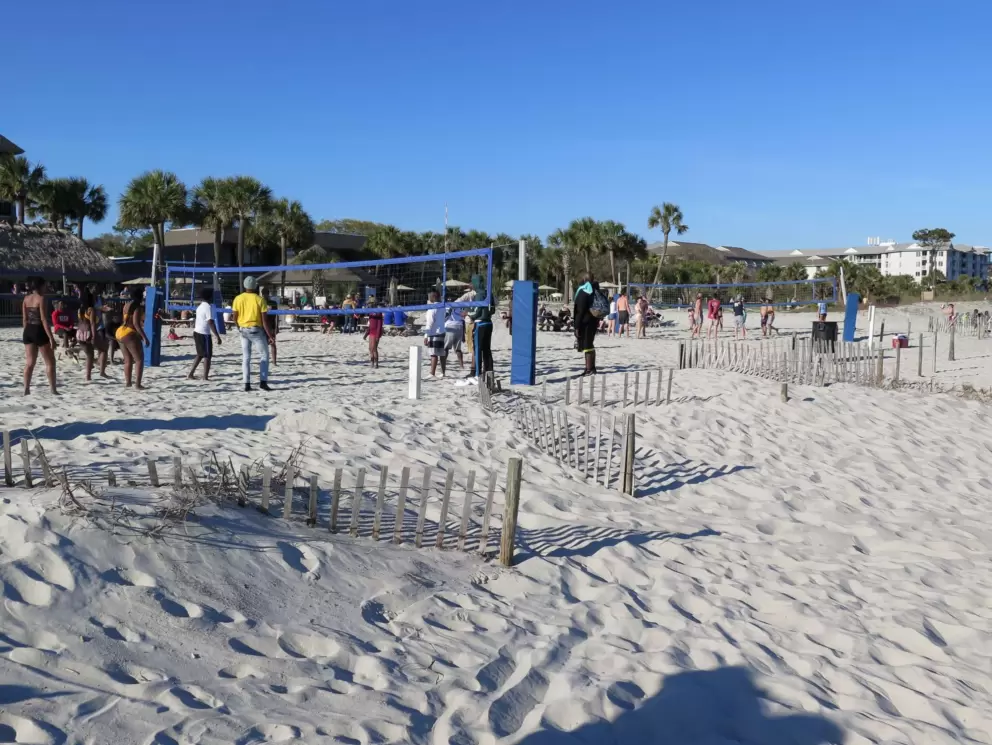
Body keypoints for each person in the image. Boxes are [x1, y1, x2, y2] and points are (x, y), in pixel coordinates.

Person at [231, 276, 274, 392]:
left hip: (243, 329)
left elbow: (234, 317)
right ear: (255, 286)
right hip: (256, 330)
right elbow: (265, 321)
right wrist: (270, 336)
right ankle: (263, 382)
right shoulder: (260, 299)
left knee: (246, 357)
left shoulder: (238, 299)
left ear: (245, 286)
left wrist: (238, 326)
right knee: (264, 355)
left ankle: (246, 384)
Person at [22, 277, 58, 396]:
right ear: (40, 286)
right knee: (50, 362)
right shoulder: (41, 299)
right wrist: (51, 338)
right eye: (45, 285)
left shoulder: (26, 299)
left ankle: (26, 389)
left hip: (28, 331)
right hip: (39, 331)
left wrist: (27, 332)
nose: (46, 287)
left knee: (30, 363)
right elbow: (43, 320)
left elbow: (25, 319)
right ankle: (53, 389)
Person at [115, 286, 151, 389]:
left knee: (127, 360)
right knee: (139, 360)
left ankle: (128, 382)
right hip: (129, 333)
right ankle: (138, 384)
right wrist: (145, 337)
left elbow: (125, 320)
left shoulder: (126, 305)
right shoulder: (137, 307)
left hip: (120, 331)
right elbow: (136, 324)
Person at [188, 287, 222, 381]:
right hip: (204, 333)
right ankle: (205, 377)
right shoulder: (208, 307)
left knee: (200, 354)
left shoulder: (200, 306)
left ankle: (191, 374)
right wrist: (217, 336)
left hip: (197, 331)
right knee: (207, 355)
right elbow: (210, 322)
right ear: (209, 297)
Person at [77, 291, 109, 381]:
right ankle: (102, 372)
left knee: (89, 355)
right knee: (103, 350)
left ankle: (88, 376)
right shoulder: (91, 310)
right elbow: (92, 324)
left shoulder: (80, 309)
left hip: (79, 333)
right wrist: (94, 336)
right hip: (88, 333)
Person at [574, 272, 601, 376]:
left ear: (584, 280)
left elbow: (579, 311)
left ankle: (589, 369)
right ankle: (592, 368)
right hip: (594, 321)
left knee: (587, 345)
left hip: (585, 322)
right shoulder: (595, 291)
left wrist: (576, 326)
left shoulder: (583, 291)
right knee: (590, 344)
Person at [469, 279, 495, 382]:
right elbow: (493, 309)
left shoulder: (479, 295)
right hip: (489, 323)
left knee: (478, 349)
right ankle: (489, 374)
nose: (470, 285)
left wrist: (467, 313)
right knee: (487, 350)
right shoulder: (489, 294)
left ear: (475, 283)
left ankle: (477, 374)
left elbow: (476, 312)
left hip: (480, 324)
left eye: (471, 282)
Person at [423, 291, 447, 377]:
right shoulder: (442, 307)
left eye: (429, 297)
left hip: (434, 333)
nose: (428, 298)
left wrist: (426, 336)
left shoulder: (432, 308)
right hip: (442, 331)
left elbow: (429, 323)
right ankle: (443, 372)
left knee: (433, 354)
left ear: (433, 297)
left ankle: (432, 373)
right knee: (442, 354)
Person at [367, 299, 384, 368]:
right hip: (371, 332)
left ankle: (376, 364)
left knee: (374, 348)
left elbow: (379, 325)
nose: (370, 305)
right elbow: (370, 324)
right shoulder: (370, 312)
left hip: (376, 332)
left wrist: (377, 336)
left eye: (371, 303)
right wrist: (366, 333)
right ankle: (372, 362)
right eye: (370, 303)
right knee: (370, 348)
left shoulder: (379, 313)